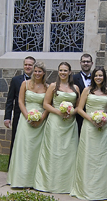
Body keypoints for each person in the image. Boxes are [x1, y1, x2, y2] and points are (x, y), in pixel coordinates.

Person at [71, 67, 107, 200]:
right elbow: (79, 109)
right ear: (93, 77)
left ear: (104, 77)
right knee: (88, 156)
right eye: (96, 75)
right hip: (89, 127)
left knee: (102, 158)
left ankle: (102, 190)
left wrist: (104, 119)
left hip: (104, 128)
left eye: (101, 75)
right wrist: (92, 119)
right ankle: (86, 188)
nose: (98, 78)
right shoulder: (87, 90)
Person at [34, 62, 80, 193]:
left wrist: (72, 112)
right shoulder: (53, 86)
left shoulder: (75, 88)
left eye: (65, 70)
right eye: (61, 70)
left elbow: (79, 106)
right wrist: (58, 112)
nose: (63, 72)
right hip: (55, 122)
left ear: (70, 72)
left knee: (68, 153)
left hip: (70, 124)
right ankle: (49, 183)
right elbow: (46, 104)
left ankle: (66, 184)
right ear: (58, 71)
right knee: (53, 151)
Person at [7, 61, 49, 188]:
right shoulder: (25, 84)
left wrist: (41, 118)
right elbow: (20, 101)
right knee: (23, 148)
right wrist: (27, 116)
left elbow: (48, 104)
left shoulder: (47, 87)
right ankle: (20, 179)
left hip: (40, 122)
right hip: (25, 119)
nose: (37, 73)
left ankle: (34, 181)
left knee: (36, 150)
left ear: (44, 73)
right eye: (35, 71)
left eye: (39, 71)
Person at [4, 56, 36, 164]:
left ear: (34, 66)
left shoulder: (40, 81)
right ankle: (12, 168)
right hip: (18, 115)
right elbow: (10, 100)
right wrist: (7, 117)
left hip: (34, 116)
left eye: (30, 65)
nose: (27, 67)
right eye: (26, 64)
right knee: (16, 141)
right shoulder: (16, 80)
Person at [71, 53, 95, 133]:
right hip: (77, 115)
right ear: (80, 63)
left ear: (92, 63)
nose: (86, 63)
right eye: (84, 61)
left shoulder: (97, 78)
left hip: (93, 114)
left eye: (88, 62)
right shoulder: (73, 78)